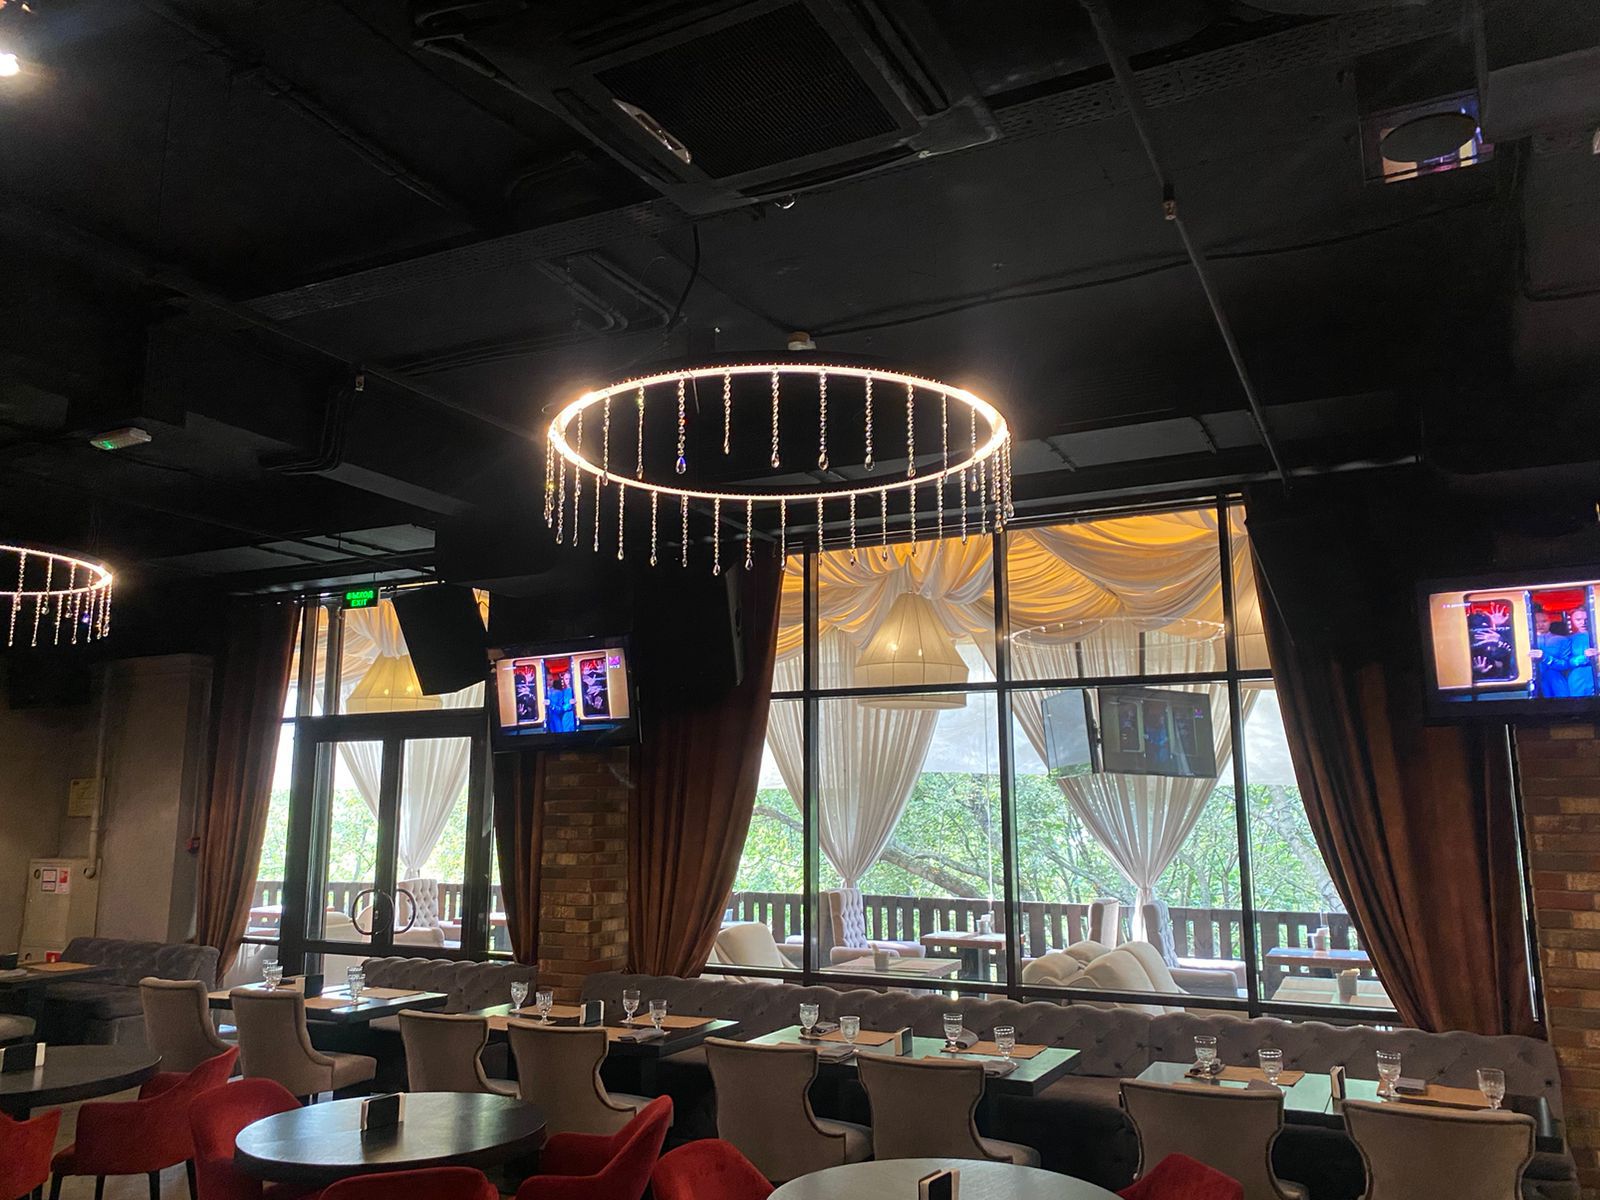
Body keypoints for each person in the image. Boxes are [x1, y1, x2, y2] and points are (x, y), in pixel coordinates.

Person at [1533, 608, 1572, 698]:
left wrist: (1545, 658)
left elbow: (1565, 664)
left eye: (1544, 621)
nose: (1540, 625)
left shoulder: (1562, 640)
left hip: (1556, 684)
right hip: (1533, 684)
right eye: (1536, 622)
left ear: (1550, 622)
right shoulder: (1524, 642)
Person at [1565, 607, 1598, 697]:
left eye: (1586, 619)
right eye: (1578, 620)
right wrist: (1584, 657)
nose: (1583, 623)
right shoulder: (1568, 640)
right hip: (1579, 679)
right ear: (1572, 621)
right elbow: (1566, 662)